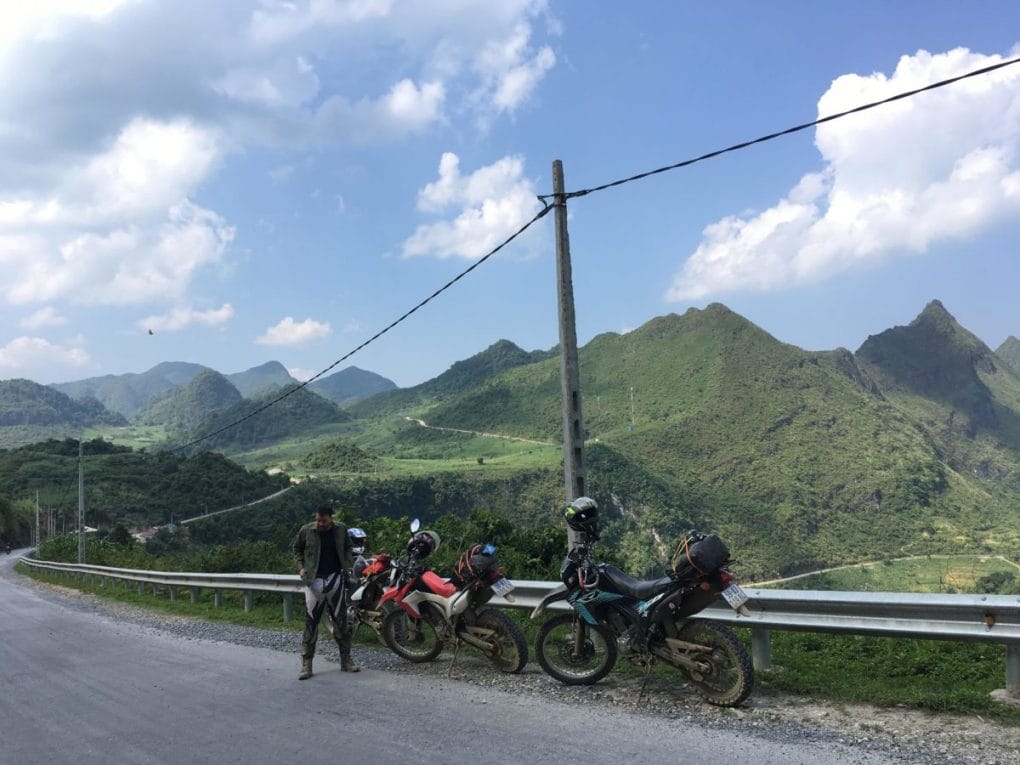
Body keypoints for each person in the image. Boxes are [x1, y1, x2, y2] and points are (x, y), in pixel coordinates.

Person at [292, 504, 360, 679]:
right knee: (311, 624)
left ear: (331, 517)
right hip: (313, 581)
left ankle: (346, 661)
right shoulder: (307, 530)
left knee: (342, 622)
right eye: (318, 520)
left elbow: (348, 547)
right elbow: (297, 549)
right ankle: (306, 665)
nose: (320, 523)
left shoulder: (341, 529)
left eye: (323, 520)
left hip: (335, 579)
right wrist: (300, 568)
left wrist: (347, 564)